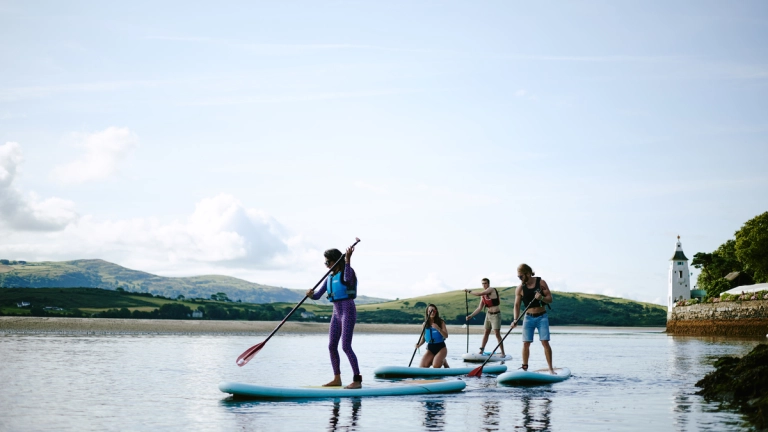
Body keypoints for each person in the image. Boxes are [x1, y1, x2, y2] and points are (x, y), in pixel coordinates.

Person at [306, 245, 361, 389]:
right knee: (331, 346)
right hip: (336, 313)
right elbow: (317, 296)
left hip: (348, 310)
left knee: (346, 346)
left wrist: (348, 260)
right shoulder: (329, 278)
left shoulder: (346, 271)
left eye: (328, 262)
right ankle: (337, 378)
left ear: (336, 261)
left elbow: (348, 280)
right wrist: (311, 295)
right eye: (325, 263)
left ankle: (357, 380)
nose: (326, 266)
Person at [510, 263, 555, 374]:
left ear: (528, 273)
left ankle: (550, 369)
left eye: (521, 276)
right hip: (528, 318)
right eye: (518, 277)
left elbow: (550, 299)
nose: (520, 279)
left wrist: (542, 297)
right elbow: (516, 305)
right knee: (526, 343)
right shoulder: (520, 288)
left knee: (545, 342)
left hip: (542, 317)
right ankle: (525, 368)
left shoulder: (541, 283)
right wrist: (515, 319)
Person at [465, 278, 505, 357]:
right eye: (483, 283)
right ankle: (481, 350)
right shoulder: (483, 296)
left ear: (488, 284)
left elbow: (479, 294)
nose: (484, 285)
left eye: (485, 283)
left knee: (497, 334)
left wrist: (469, 291)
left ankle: (503, 352)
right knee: (486, 332)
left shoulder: (491, 289)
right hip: (488, 314)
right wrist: (471, 315)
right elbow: (479, 308)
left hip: (496, 315)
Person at [415, 304, 449, 368]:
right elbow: (423, 338)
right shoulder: (424, 324)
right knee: (422, 367)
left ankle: (443, 361)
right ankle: (435, 359)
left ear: (436, 312)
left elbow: (446, 336)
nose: (432, 312)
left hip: (441, 347)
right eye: (430, 311)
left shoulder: (441, 322)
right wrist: (419, 344)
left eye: (434, 311)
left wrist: (438, 328)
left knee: (436, 366)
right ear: (427, 312)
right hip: (430, 348)